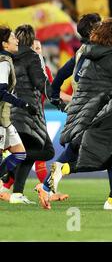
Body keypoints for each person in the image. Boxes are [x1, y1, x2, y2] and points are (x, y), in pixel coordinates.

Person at [38, 18, 112, 211]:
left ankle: (55, 179)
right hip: (104, 112)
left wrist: (56, 96)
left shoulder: (86, 54)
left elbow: (72, 77)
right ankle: (109, 200)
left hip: (81, 110)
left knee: (101, 154)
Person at [2, 25, 56, 204]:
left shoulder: (11, 59)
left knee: (25, 153)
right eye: (36, 46)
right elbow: (42, 84)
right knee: (45, 151)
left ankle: (15, 191)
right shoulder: (31, 59)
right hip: (28, 114)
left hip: (17, 113)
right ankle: (9, 181)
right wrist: (58, 99)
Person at [0, 26, 37, 197]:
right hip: (0, 119)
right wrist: (24, 105)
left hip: (5, 119)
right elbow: (1, 91)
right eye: (13, 38)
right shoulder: (3, 63)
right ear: (5, 44)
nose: (17, 40)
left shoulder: (7, 61)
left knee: (20, 153)